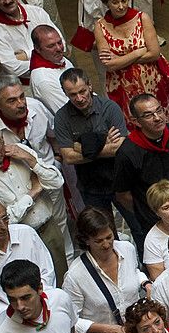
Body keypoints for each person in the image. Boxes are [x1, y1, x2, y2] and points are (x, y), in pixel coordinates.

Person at [0, 120, 68, 275]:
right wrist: (33, 193)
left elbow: (57, 182)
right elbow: (3, 219)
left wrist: (31, 161)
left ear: (2, 139)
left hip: (48, 228)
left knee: (62, 277)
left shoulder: (20, 151)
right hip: (17, 241)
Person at [53, 68, 138, 243]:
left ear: (90, 86)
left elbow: (119, 147)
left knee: (138, 226)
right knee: (104, 235)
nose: (79, 98)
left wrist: (82, 147)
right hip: (91, 186)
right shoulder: (62, 118)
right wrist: (104, 142)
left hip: (120, 180)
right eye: (72, 94)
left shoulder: (109, 108)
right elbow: (68, 157)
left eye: (82, 91)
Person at [93, 0, 169, 125]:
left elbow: (154, 53)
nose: (121, 6)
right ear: (106, 3)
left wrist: (121, 60)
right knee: (133, 124)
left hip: (151, 83)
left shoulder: (142, 18)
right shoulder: (100, 27)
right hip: (122, 87)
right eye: (115, 2)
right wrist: (138, 52)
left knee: (158, 121)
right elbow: (109, 65)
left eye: (124, 1)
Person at [114, 94, 169, 234]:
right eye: (148, 115)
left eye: (159, 111)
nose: (157, 118)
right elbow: (123, 194)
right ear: (136, 121)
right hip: (153, 219)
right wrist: (146, 209)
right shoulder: (127, 152)